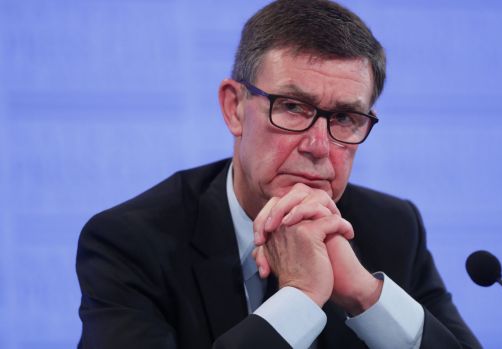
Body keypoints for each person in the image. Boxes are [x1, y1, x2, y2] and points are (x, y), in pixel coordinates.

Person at [76, 1, 481, 348]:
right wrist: (300, 297)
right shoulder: (132, 241)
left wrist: (365, 295)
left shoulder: (393, 229)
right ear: (234, 107)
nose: (318, 146)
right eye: (292, 107)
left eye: (344, 117)